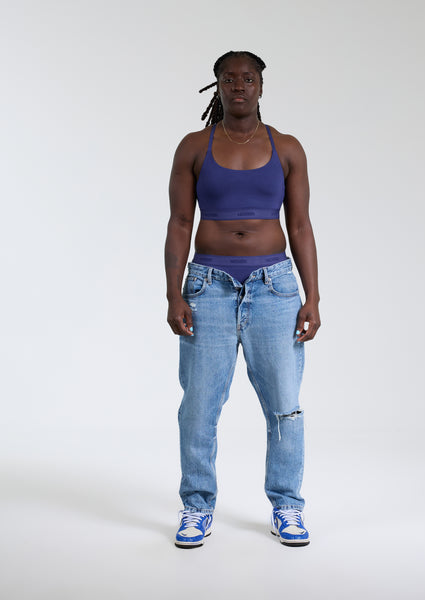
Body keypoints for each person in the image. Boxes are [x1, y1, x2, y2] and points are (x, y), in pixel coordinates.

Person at [165, 51, 320, 548]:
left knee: (284, 405)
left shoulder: (287, 147)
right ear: (217, 86)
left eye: (247, 78)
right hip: (207, 287)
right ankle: (196, 507)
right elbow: (179, 223)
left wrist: (313, 297)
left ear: (260, 86)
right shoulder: (194, 146)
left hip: (274, 288)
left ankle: (287, 506)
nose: (238, 85)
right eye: (229, 78)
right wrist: (173, 293)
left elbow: (300, 225)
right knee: (199, 407)